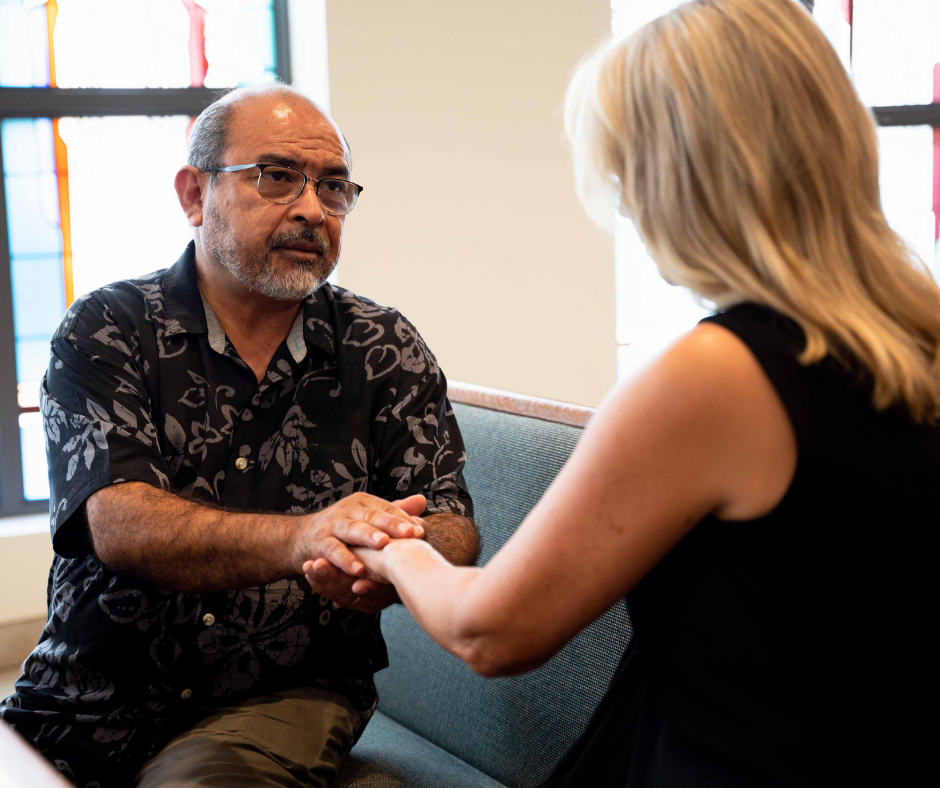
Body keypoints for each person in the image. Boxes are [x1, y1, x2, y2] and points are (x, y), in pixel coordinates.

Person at [334, 1, 940, 785]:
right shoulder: (911, 337)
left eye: (624, 172)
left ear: (679, 176)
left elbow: (492, 631)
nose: (626, 206)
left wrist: (394, 549)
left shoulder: (717, 376)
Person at [0, 84, 478, 788]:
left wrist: (388, 553)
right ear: (195, 195)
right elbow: (119, 522)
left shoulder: (382, 344)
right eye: (277, 176)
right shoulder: (107, 328)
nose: (313, 209)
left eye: (334, 187)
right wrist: (305, 537)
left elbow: (453, 527)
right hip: (88, 688)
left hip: (287, 691)